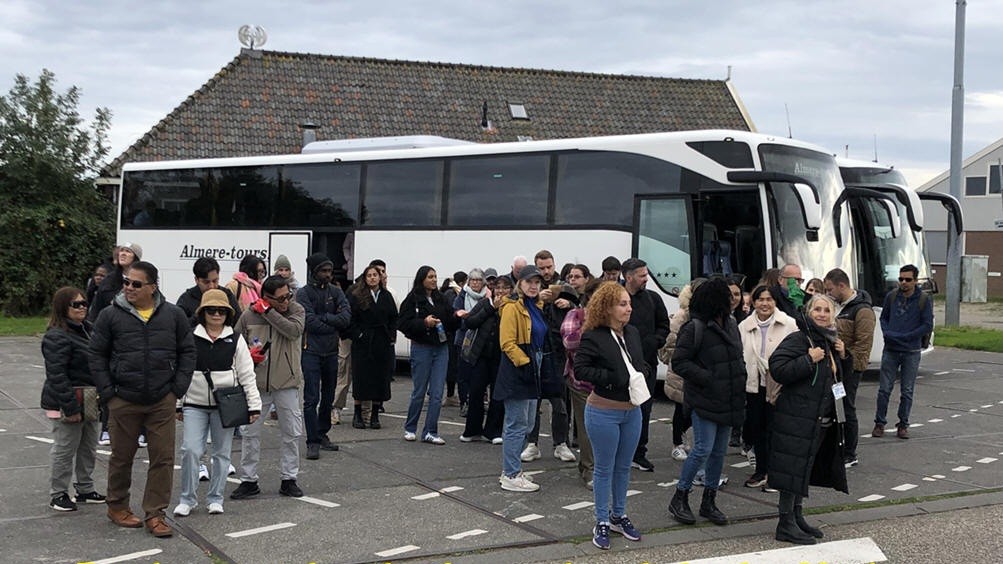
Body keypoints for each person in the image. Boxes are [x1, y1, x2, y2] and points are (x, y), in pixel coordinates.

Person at [89, 261, 196, 537]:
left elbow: (187, 353)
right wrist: (109, 393)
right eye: (126, 282)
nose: (129, 287)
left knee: (162, 459)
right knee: (121, 458)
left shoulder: (173, 315)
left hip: (162, 399)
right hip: (123, 398)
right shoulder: (110, 315)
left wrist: (177, 390)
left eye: (136, 284)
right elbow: (97, 355)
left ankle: (156, 514)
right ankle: (117, 507)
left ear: (152, 287)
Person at [768, 293, 851, 545]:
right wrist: (807, 359)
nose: (822, 314)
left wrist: (844, 356)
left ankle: (796, 515)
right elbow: (777, 367)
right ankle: (785, 523)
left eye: (827, 310)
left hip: (818, 418)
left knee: (803, 469)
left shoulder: (830, 340)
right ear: (808, 312)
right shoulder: (799, 338)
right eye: (817, 309)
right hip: (796, 417)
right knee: (791, 470)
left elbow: (838, 380)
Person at [173, 290, 261, 517]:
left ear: (228, 313)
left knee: (222, 453)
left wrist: (253, 405)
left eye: (221, 310)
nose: (216, 314)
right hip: (194, 403)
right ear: (202, 313)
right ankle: (187, 499)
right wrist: (178, 403)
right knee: (190, 450)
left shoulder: (236, 339)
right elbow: (181, 372)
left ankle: (215, 498)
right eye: (211, 310)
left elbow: (247, 374)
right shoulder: (190, 337)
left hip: (227, 406)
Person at [574, 282, 647, 550]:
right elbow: (580, 369)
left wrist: (643, 372)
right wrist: (612, 379)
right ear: (607, 308)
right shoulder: (594, 335)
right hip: (603, 410)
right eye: (622, 304)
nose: (629, 308)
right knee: (604, 468)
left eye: (629, 303)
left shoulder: (633, 333)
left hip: (632, 410)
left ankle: (619, 515)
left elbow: (639, 362)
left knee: (624, 467)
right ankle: (601, 520)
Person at [668, 278, 745, 528]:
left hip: (727, 398)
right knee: (703, 449)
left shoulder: (731, 324)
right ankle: (680, 496)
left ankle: (709, 500)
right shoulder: (695, 327)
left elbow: (736, 358)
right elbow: (679, 362)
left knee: (719, 453)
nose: (733, 300)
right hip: (705, 399)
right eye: (727, 296)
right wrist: (707, 377)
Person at [231, 275, 307, 499]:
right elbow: (235, 343)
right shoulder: (248, 315)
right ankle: (248, 480)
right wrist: (247, 356)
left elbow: (293, 331)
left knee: (291, 433)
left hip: (287, 383)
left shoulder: (296, 311)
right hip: (256, 384)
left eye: (288, 295)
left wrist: (268, 312)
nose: (286, 301)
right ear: (266, 297)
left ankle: (289, 478)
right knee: (249, 433)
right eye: (281, 298)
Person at [494, 265, 560, 492]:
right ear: (519, 283)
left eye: (537, 282)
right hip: (519, 369)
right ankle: (510, 473)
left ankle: (514, 469)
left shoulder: (536, 306)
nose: (533, 286)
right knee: (516, 423)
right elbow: (507, 343)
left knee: (529, 423)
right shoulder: (512, 308)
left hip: (535, 366)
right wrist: (525, 362)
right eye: (529, 282)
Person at [42, 287, 106, 511]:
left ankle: (85, 489)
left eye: (84, 303)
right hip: (67, 399)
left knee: (88, 446)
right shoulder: (56, 336)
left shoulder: (87, 329)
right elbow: (57, 375)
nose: (82, 308)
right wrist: (70, 408)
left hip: (89, 396)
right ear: (63, 308)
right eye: (76, 304)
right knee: (65, 448)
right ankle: (58, 493)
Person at [737, 285, 797, 490]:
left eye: (769, 299)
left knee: (777, 430)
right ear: (753, 302)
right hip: (754, 386)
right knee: (757, 429)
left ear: (775, 302)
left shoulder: (788, 324)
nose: (765, 303)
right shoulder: (744, 326)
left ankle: (776, 474)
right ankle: (761, 471)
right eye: (760, 299)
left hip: (779, 385)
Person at [522, 250, 575, 464]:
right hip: (536, 350)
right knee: (533, 402)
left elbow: (580, 309)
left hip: (558, 351)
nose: (545, 272)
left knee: (559, 402)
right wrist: (539, 301)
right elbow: (523, 313)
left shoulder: (563, 286)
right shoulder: (531, 289)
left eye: (549, 267)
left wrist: (569, 304)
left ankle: (560, 444)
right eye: (541, 268)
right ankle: (532, 444)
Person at [298, 253, 351, 458]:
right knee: (311, 397)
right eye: (323, 271)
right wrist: (332, 322)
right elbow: (309, 321)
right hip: (310, 350)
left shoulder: (336, 291)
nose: (328, 275)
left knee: (328, 396)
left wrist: (327, 318)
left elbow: (346, 317)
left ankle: (322, 433)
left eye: (330, 271)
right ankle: (312, 440)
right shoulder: (303, 293)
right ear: (314, 272)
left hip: (331, 351)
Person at [873, 264, 933, 440]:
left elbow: (927, 324)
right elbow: (883, 318)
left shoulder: (923, 299)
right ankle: (879, 423)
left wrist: (908, 336)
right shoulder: (891, 297)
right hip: (891, 349)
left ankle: (903, 424)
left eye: (908, 279)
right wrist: (888, 333)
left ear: (915, 280)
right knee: (884, 389)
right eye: (901, 279)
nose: (903, 283)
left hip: (911, 351)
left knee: (907, 391)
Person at [620, 258, 669, 472]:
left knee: (644, 410)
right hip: (620, 365)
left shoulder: (653, 299)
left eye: (646, 274)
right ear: (628, 277)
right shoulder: (615, 298)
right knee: (620, 410)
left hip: (647, 365)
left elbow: (664, 325)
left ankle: (639, 453)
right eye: (642, 275)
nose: (646, 279)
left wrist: (654, 341)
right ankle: (620, 453)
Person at [398, 266, 456, 445]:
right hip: (421, 347)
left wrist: (459, 317)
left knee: (437, 393)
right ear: (422, 279)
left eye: (435, 276)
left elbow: (450, 320)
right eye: (430, 277)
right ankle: (410, 427)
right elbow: (403, 323)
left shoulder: (441, 299)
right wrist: (424, 323)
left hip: (441, 348)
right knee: (419, 391)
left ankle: (430, 431)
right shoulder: (413, 299)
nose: (434, 279)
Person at [824, 267, 875, 467]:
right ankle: (837, 447)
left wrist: (848, 361)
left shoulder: (862, 310)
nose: (828, 294)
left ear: (842, 286)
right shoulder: (837, 306)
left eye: (830, 289)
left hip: (849, 369)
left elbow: (863, 345)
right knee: (835, 409)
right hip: (833, 366)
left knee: (846, 408)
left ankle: (850, 453)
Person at [458, 274, 512, 443]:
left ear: (511, 290)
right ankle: (472, 430)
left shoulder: (513, 306)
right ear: (492, 289)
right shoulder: (485, 303)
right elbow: (470, 322)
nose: (501, 291)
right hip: (480, 355)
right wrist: (490, 307)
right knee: (476, 392)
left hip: (501, 356)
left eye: (505, 288)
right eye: (498, 288)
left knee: (498, 394)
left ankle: (493, 431)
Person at [658, 279, 706, 462]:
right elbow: (670, 343)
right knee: (681, 407)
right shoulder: (682, 315)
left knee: (693, 408)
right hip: (681, 370)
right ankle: (677, 443)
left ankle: (683, 436)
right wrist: (677, 361)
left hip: (696, 368)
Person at [561, 278, 603, 489]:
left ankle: (596, 467)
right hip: (581, 382)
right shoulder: (575, 315)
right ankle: (589, 469)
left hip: (605, 382)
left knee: (604, 428)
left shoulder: (613, 319)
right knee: (588, 428)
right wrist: (590, 325)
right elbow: (569, 341)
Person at [347, 264, 398, 429]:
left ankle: (375, 414)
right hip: (363, 342)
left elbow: (393, 318)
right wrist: (359, 335)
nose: (372, 278)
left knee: (380, 378)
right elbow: (351, 319)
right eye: (369, 275)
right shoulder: (357, 295)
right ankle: (357, 414)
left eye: (375, 275)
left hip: (381, 342)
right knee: (361, 378)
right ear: (365, 278)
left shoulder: (386, 295)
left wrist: (391, 335)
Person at [453, 268, 489, 417]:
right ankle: (464, 403)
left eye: (478, 280)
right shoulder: (462, 295)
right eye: (473, 279)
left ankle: (479, 402)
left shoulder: (487, 296)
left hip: (481, 341)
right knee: (464, 374)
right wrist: (469, 320)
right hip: (464, 340)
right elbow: (455, 314)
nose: (475, 283)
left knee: (480, 375)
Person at [176, 257, 241, 327]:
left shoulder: (227, 296)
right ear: (196, 280)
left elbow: (238, 323)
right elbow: (179, 327)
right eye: (206, 282)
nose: (211, 286)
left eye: (215, 281)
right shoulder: (186, 299)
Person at [88, 242, 142, 321]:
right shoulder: (108, 280)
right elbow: (97, 307)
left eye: (128, 251)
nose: (123, 254)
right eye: (122, 251)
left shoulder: (144, 279)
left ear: (135, 257)